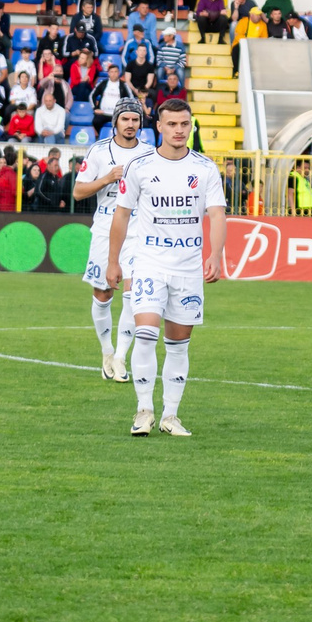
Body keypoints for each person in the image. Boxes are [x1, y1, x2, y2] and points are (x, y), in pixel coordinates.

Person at [106, 100, 227, 438]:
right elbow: (121, 215)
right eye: (172, 124)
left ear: (191, 126)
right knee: (145, 334)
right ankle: (144, 410)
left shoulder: (205, 168)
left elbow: (217, 214)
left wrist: (215, 254)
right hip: (149, 263)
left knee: (179, 344)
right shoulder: (140, 167)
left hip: (188, 268)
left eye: (184, 124)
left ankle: (170, 416)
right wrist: (113, 261)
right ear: (159, 126)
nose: (179, 130)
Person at [74, 103, 154, 381]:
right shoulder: (98, 151)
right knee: (104, 294)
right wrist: (107, 178)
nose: (130, 123)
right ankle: (107, 351)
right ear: (115, 122)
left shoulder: (148, 153)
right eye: (125, 119)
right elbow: (78, 191)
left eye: (135, 119)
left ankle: (121, 357)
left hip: (137, 230)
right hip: (105, 228)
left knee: (133, 294)